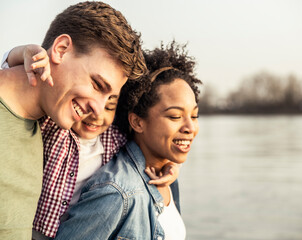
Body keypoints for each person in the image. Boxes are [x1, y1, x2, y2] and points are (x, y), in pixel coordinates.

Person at [0, 1, 146, 239]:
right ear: (61, 49)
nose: (98, 109)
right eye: (97, 85)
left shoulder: (56, 125)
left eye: (109, 98)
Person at [2, 45, 179, 240]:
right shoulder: (54, 126)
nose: (96, 114)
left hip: (78, 228)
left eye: (109, 107)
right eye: (94, 99)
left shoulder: (114, 138)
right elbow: (15, 76)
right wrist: (24, 53)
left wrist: (170, 166)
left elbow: (144, 150)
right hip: (29, 232)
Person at [55, 42, 202, 240]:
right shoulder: (116, 193)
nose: (190, 128)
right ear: (137, 121)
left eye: (194, 116)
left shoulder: (167, 176)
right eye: (175, 116)